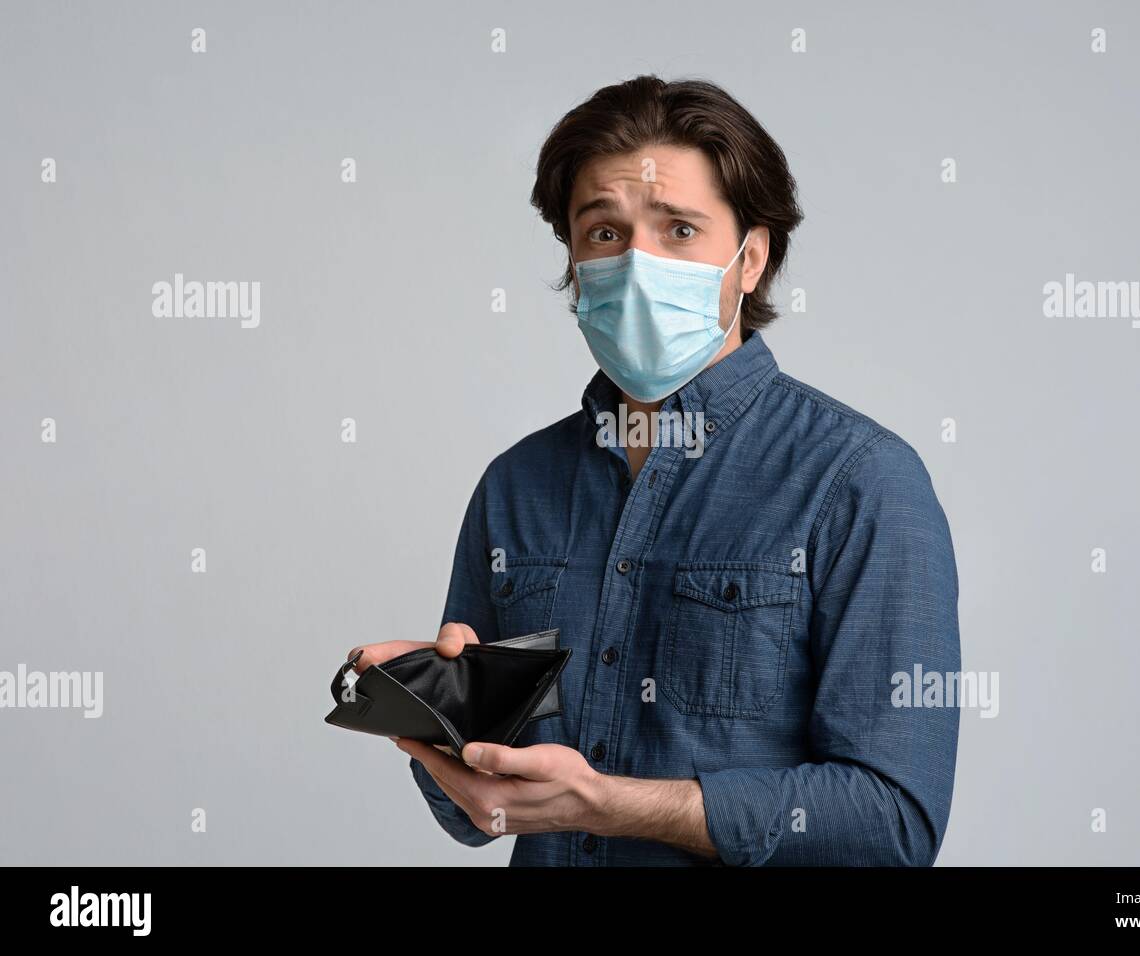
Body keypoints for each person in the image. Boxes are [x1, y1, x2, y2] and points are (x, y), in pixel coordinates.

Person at [348, 75, 961, 866]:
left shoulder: (862, 482)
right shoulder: (515, 487)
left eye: (678, 230)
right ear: (572, 259)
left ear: (751, 258)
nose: (636, 264)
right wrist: (439, 717)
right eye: (604, 233)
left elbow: (893, 825)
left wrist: (615, 806)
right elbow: (479, 817)